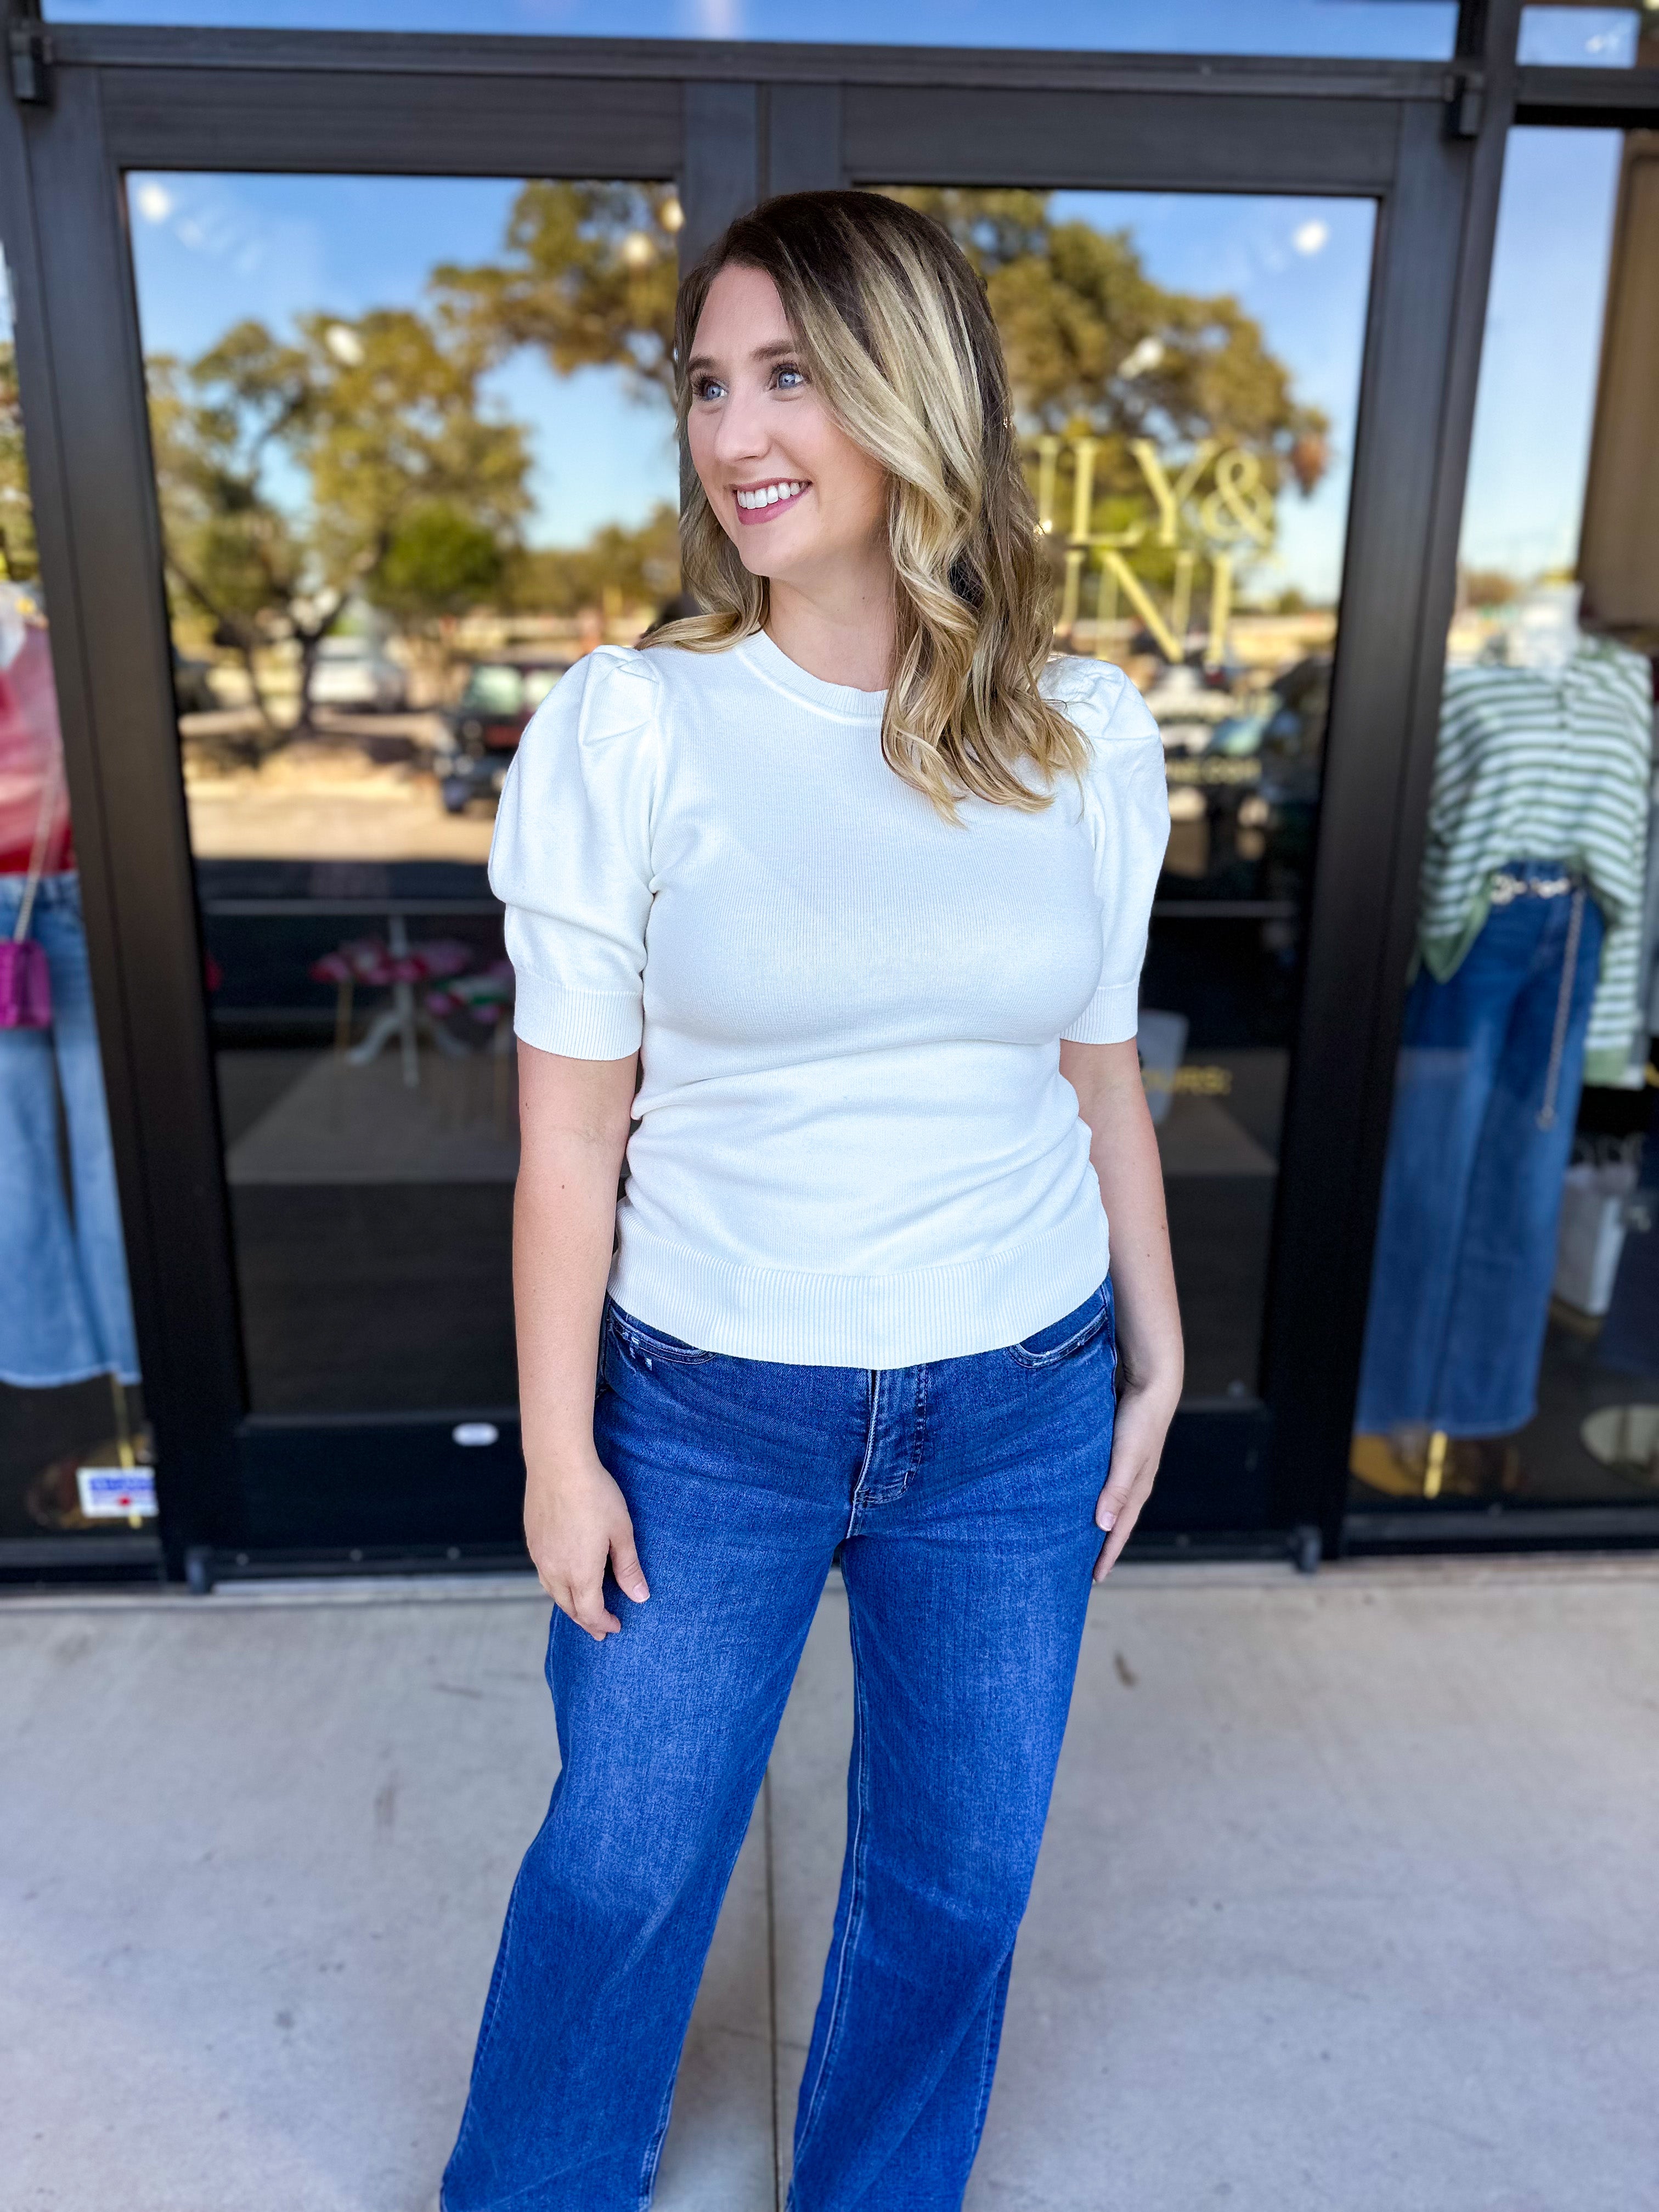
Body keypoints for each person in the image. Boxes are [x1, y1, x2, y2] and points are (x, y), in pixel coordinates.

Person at [440, 190, 1182, 2212]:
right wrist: (561, 1453)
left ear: (909, 398)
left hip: (1018, 1400)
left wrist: (1159, 1345)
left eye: (790, 376)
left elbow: (1094, 1067)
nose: (736, 431)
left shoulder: (1088, 738)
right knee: (624, 1860)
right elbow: (571, 1142)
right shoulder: (634, 726)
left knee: (960, 1878)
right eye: (706, 384)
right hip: (709, 1410)